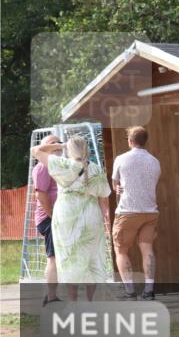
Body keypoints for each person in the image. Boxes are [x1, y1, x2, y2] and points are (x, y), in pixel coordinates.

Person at [30, 136, 112, 301]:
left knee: (68, 259)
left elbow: (35, 151)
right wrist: (104, 219)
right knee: (92, 258)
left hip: (67, 217)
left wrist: (60, 145)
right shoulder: (96, 169)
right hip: (91, 216)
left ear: (70, 149)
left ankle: (73, 301)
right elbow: (104, 198)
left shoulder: (63, 164)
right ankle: (90, 300)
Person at [111, 126, 161, 300]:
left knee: (121, 250)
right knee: (147, 248)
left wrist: (120, 188)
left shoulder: (121, 159)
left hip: (127, 211)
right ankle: (149, 290)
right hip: (150, 211)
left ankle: (130, 291)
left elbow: (115, 185)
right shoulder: (154, 161)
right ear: (145, 140)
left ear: (130, 141)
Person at [31, 134, 61, 305]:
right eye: (52, 143)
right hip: (49, 219)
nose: (56, 145)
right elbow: (41, 194)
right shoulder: (43, 166)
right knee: (53, 258)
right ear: (43, 148)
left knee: (58, 257)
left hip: (57, 217)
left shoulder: (58, 165)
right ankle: (51, 298)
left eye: (58, 142)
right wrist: (53, 216)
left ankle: (51, 295)